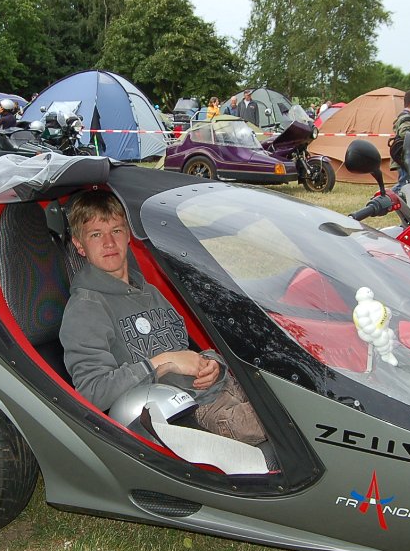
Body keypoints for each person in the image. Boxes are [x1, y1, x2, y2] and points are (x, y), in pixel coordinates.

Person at [59, 190, 266, 445]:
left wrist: (213, 364)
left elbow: (187, 350)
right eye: (96, 235)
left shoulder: (151, 292)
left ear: (128, 236)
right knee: (290, 424)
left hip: (222, 387)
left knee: (288, 401)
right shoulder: (86, 308)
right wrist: (162, 361)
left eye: (116, 230)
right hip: (194, 415)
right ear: (80, 245)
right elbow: (92, 392)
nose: (109, 243)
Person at [390, 90, 410, 192]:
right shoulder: (406, 117)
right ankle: (386, 197)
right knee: (404, 185)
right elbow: (404, 133)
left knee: (409, 184)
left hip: (407, 156)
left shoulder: (408, 116)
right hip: (404, 156)